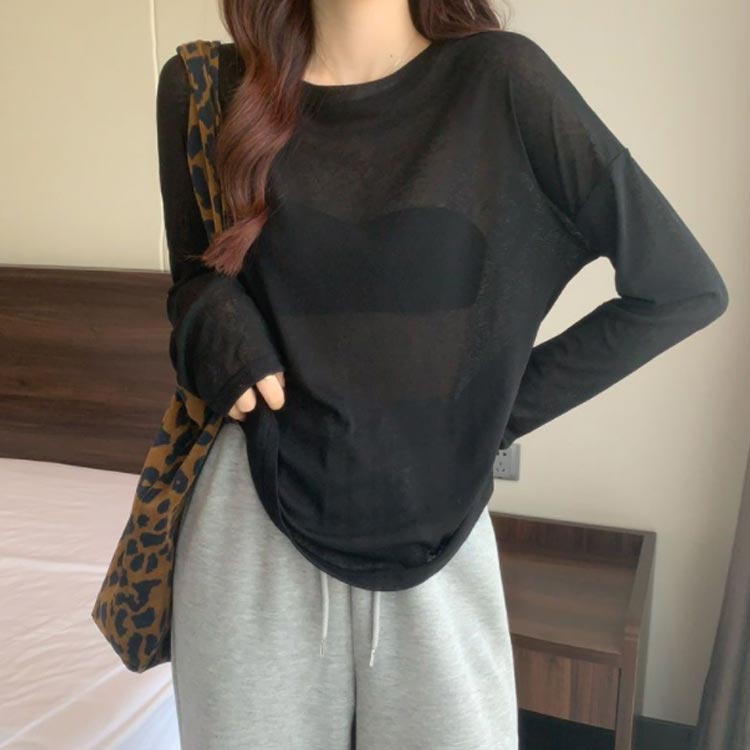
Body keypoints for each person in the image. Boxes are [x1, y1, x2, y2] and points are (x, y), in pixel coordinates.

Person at [156, 1, 729, 749]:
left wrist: (492, 412)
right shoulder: (204, 88)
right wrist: (214, 322)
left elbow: (682, 288)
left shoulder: (502, 81)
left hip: (435, 534)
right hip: (249, 526)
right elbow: (194, 282)